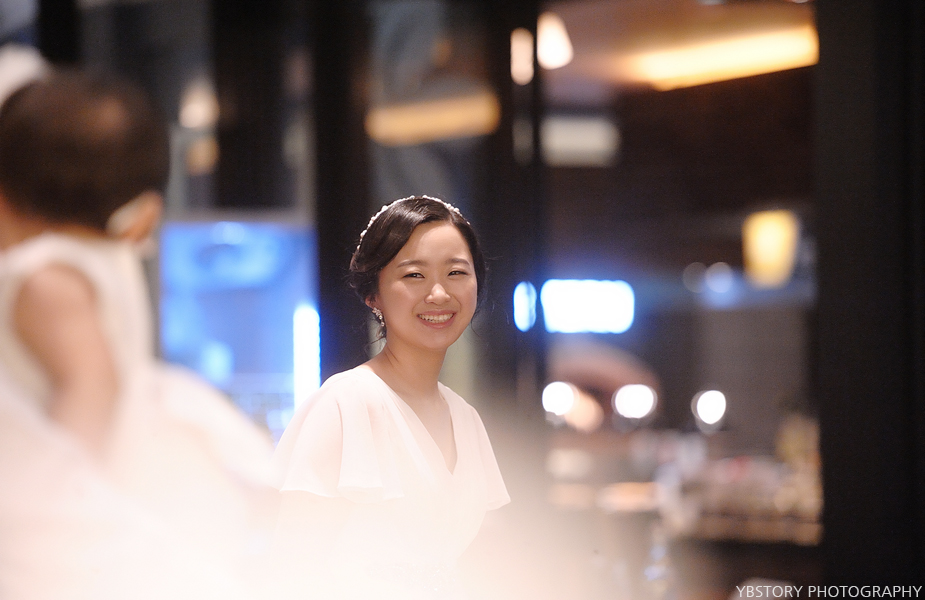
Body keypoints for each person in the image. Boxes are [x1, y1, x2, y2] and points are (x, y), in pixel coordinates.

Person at [0, 69, 275, 598]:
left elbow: (90, 381)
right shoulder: (110, 256)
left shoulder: (44, 275)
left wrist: (69, 493)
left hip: (86, 511)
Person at [271, 196, 510, 599]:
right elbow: (292, 569)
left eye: (456, 272)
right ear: (373, 294)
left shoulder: (465, 417)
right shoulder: (346, 403)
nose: (439, 293)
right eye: (414, 275)